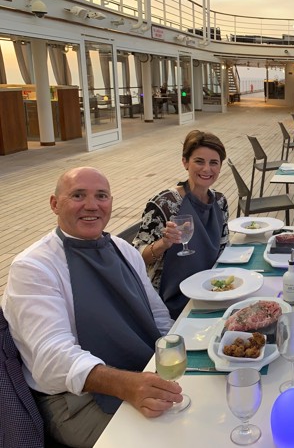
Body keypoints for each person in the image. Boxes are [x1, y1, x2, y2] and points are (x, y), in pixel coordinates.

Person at [1, 167, 180, 448]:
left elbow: (158, 317)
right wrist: (127, 385)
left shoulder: (124, 250)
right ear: (54, 204)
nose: (92, 205)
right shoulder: (33, 267)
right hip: (75, 401)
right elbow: (52, 359)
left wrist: (181, 353)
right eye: (77, 195)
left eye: (101, 196)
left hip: (142, 371)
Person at [134, 130, 229, 318]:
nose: (206, 169)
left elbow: (224, 249)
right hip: (170, 303)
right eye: (199, 161)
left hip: (212, 290)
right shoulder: (164, 204)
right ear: (185, 162)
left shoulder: (220, 201)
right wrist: (164, 243)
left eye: (213, 163)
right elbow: (136, 257)